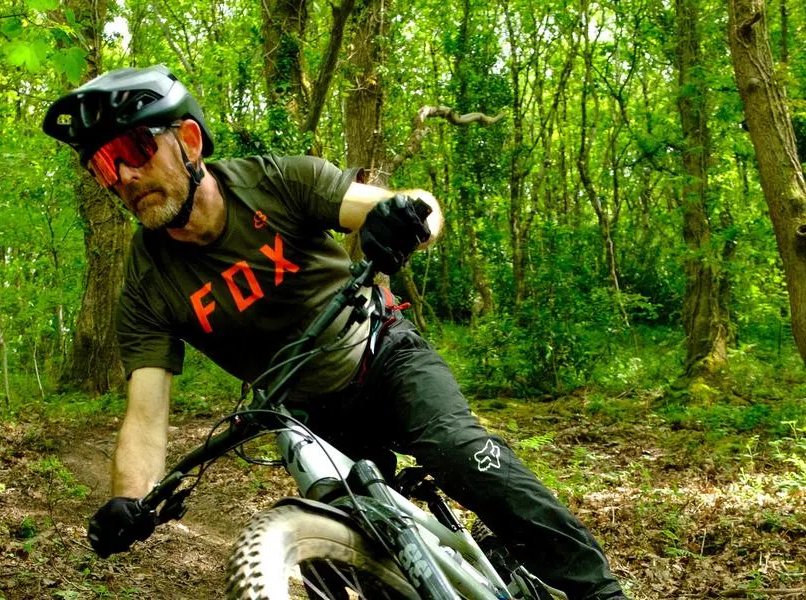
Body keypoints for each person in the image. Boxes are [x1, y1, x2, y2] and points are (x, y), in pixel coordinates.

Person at [42, 64, 629, 600]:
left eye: (134, 149)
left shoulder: (275, 183)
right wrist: (127, 498)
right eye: (103, 164)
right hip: (305, 416)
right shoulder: (147, 286)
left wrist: (403, 220)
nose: (122, 175)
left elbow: (413, 204)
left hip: (383, 356)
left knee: (464, 456)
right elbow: (146, 415)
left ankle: (600, 592)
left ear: (189, 142)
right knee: (344, 559)